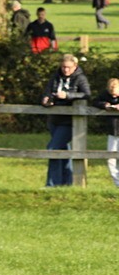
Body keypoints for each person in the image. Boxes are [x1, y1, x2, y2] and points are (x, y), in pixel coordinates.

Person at [40, 54, 90, 187]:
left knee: (53, 148)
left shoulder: (80, 78)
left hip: (69, 121)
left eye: (68, 67)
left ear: (75, 66)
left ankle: (52, 184)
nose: (65, 70)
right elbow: (47, 92)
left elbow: (86, 94)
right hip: (54, 119)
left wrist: (67, 95)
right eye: (63, 67)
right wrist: (46, 100)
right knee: (63, 151)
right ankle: (66, 183)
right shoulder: (55, 77)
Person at [95, 77, 119, 188]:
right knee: (110, 158)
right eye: (112, 94)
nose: (114, 97)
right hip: (112, 132)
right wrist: (105, 105)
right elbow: (95, 101)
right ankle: (117, 183)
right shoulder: (105, 95)